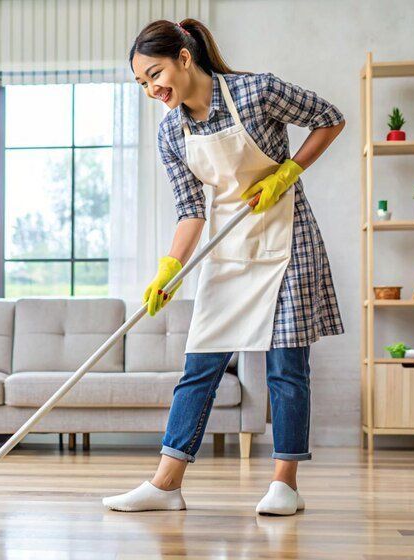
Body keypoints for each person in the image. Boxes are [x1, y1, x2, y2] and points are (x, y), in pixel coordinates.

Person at [102, 18, 345, 516]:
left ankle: (285, 484)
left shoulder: (257, 92)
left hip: (287, 240)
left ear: (184, 58)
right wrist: (169, 268)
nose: (151, 89)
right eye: (142, 83)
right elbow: (191, 210)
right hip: (227, 247)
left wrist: (289, 172)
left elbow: (330, 117)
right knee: (200, 365)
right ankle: (166, 485)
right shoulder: (172, 131)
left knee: (286, 369)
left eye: (154, 75)